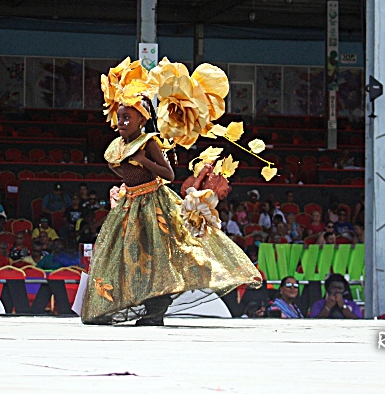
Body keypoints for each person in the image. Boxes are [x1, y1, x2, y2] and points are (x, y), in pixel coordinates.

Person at [81, 58, 261, 326]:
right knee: (127, 257)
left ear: (142, 120)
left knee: (158, 257)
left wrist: (144, 161)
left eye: (127, 117)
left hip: (154, 204)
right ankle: (123, 305)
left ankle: (156, 310)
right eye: (119, 117)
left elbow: (168, 175)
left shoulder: (149, 143)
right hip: (130, 205)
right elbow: (120, 169)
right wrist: (124, 177)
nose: (122, 122)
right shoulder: (117, 145)